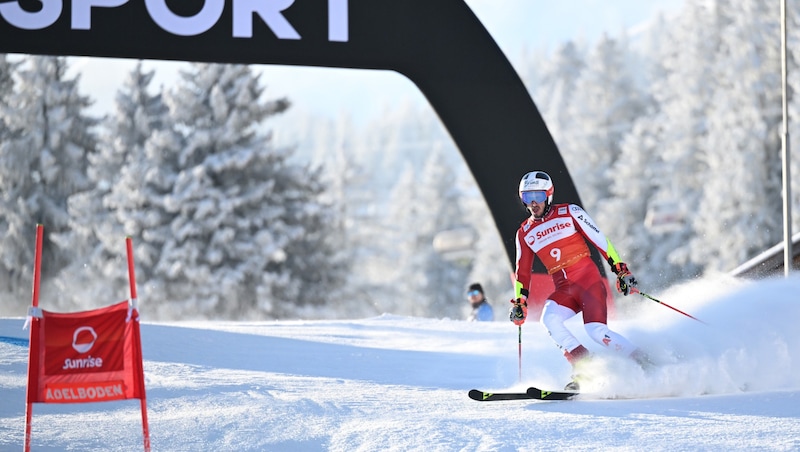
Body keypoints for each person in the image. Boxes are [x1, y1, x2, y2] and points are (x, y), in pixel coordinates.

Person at [508, 170, 645, 390]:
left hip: (588, 282)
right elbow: (522, 271)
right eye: (527, 197)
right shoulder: (524, 233)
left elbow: (600, 239)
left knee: (596, 331)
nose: (533, 203)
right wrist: (520, 302)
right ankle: (585, 366)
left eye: (539, 196)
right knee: (549, 319)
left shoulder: (570, 212)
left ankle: (644, 362)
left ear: (549, 195)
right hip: (565, 290)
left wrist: (620, 270)